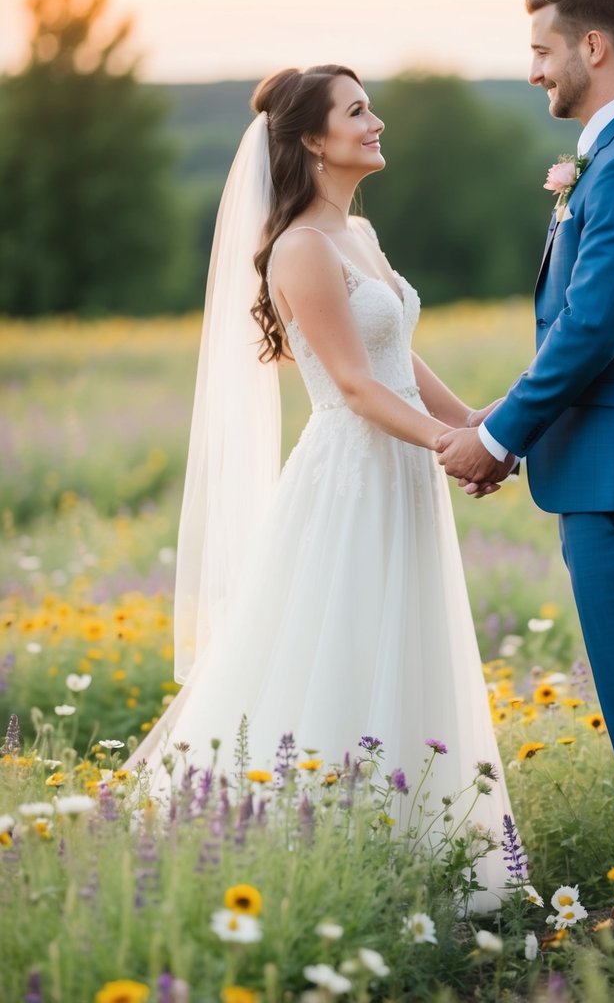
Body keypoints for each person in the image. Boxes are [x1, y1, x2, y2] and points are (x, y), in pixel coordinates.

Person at [124, 64, 512, 909]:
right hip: (351, 477)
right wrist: (456, 444)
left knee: (402, 639)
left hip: (402, 464)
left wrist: (481, 422)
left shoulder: (358, 236)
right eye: (356, 111)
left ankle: (410, 851)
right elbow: (355, 386)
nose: (376, 121)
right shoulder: (299, 246)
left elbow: (397, 362)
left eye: (369, 107)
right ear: (311, 139)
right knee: (339, 645)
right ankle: (306, 854)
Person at [436, 0, 614, 927]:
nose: (532, 72)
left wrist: (498, 438)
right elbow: (586, 333)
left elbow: (591, 330)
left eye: (540, 51)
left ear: (591, 48)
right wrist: (497, 417)